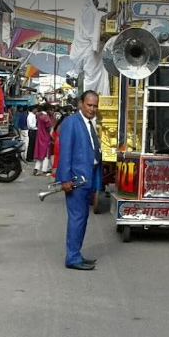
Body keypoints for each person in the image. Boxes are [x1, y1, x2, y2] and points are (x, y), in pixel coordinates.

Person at [56, 91, 102, 271]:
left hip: (89, 178)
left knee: (82, 218)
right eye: (89, 105)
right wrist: (65, 179)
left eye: (95, 106)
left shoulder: (89, 123)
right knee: (77, 218)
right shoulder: (71, 123)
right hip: (76, 180)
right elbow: (65, 152)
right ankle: (72, 257)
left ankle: (76, 253)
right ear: (81, 104)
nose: (92, 109)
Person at [34, 104, 54, 176]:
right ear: (48, 110)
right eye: (51, 110)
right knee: (46, 154)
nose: (52, 112)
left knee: (40, 153)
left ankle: (36, 168)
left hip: (39, 136)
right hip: (45, 137)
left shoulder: (39, 116)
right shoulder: (46, 117)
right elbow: (49, 127)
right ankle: (44, 169)